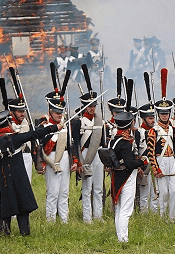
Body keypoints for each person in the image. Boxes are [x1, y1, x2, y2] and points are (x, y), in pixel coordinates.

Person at [0, 111, 55, 236]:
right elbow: (34, 134)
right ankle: (24, 233)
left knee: (5, 207)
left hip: (4, 179)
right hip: (19, 178)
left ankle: (4, 232)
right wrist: (54, 128)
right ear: (8, 123)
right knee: (23, 208)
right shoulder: (15, 138)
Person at [38, 90, 76, 223]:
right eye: (56, 112)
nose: (59, 115)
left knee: (64, 192)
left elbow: (71, 144)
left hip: (65, 157)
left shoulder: (66, 124)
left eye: (61, 112)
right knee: (53, 192)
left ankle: (64, 220)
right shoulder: (44, 125)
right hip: (51, 158)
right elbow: (43, 147)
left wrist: (74, 160)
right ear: (50, 112)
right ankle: (51, 220)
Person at [110, 111, 147, 243]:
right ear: (130, 124)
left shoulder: (115, 139)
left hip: (118, 175)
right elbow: (129, 163)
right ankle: (123, 239)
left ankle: (120, 237)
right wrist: (143, 162)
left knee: (120, 209)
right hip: (126, 176)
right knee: (126, 210)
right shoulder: (126, 142)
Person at [71, 87, 106, 224]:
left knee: (98, 188)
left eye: (94, 106)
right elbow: (75, 143)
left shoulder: (99, 121)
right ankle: (87, 218)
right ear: (84, 107)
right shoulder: (79, 121)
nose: (92, 109)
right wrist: (78, 161)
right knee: (87, 189)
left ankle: (98, 215)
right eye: (90, 106)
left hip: (98, 154)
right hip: (85, 155)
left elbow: (103, 141)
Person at [147, 93, 175, 221]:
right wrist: (156, 169)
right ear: (158, 114)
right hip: (160, 162)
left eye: (166, 113)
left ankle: (171, 218)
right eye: (162, 113)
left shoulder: (173, 130)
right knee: (163, 193)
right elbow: (150, 153)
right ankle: (162, 217)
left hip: (172, 161)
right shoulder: (153, 131)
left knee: (173, 191)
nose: (165, 115)